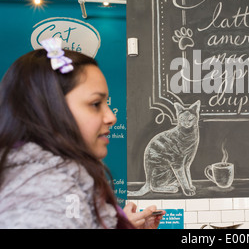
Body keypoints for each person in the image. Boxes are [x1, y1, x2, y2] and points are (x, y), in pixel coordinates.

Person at [0, 38, 164, 228]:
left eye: (107, 104)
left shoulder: (63, 180)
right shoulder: (43, 194)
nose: (111, 117)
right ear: (49, 108)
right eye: (95, 104)